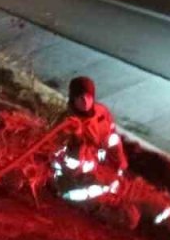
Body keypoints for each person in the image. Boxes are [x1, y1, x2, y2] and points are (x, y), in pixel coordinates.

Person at [50, 76, 128, 205]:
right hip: (80, 171)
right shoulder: (66, 122)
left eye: (89, 96)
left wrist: (117, 163)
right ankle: (82, 195)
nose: (85, 101)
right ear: (73, 99)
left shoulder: (101, 112)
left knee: (113, 139)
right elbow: (56, 147)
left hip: (101, 159)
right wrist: (76, 135)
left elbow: (111, 133)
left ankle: (115, 177)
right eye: (81, 97)